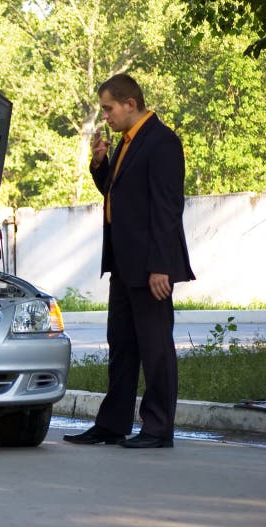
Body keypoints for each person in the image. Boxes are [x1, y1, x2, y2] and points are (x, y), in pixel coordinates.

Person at [63, 74, 195, 449]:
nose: (105, 115)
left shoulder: (162, 142)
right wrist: (100, 164)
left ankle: (157, 429)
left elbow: (167, 208)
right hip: (123, 263)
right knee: (121, 344)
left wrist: (161, 266)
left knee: (155, 348)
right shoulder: (125, 143)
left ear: (129, 104)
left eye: (108, 108)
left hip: (150, 265)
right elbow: (117, 193)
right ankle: (112, 424)